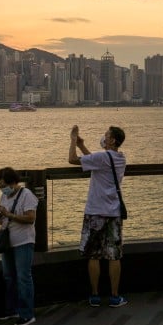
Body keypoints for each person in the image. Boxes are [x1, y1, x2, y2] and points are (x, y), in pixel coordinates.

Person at [68, 124, 128, 308]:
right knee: (114, 255)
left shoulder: (102, 157)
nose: (104, 137)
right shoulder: (120, 158)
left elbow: (72, 160)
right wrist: (82, 145)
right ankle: (115, 296)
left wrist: (73, 140)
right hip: (113, 212)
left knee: (94, 255)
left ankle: (94, 295)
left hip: (95, 211)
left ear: (112, 140)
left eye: (106, 135)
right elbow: (94, 160)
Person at [0, 166, 38, 325]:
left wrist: (8, 214)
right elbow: (6, 219)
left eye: (3, 185)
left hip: (23, 241)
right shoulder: (4, 198)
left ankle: (27, 313)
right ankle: (11, 308)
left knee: (23, 277)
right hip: (8, 241)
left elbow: (30, 218)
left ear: (13, 182)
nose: (2, 189)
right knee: (9, 276)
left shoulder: (27, 195)